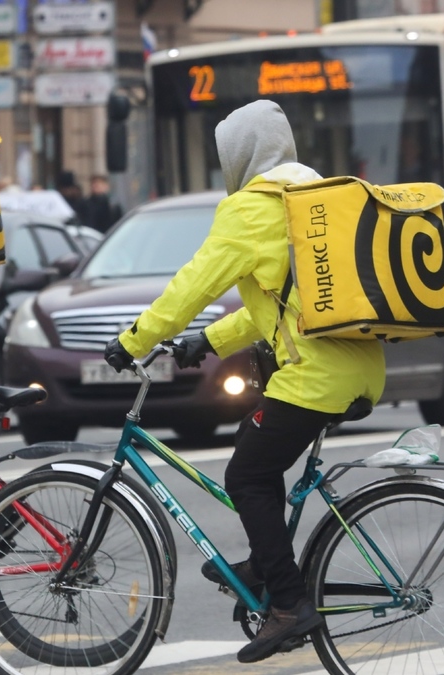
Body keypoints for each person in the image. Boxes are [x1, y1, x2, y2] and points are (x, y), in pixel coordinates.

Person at [103, 100, 385, 664]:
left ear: (240, 156)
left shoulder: (250, 208)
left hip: (315, 376)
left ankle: (287, 603)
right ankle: (267, 558)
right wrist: (208, 342)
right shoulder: (314, 200)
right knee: (255, 452)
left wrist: (134, 340)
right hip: (359, 367)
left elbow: (192, 286)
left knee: (247, 474)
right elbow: (276, 307)